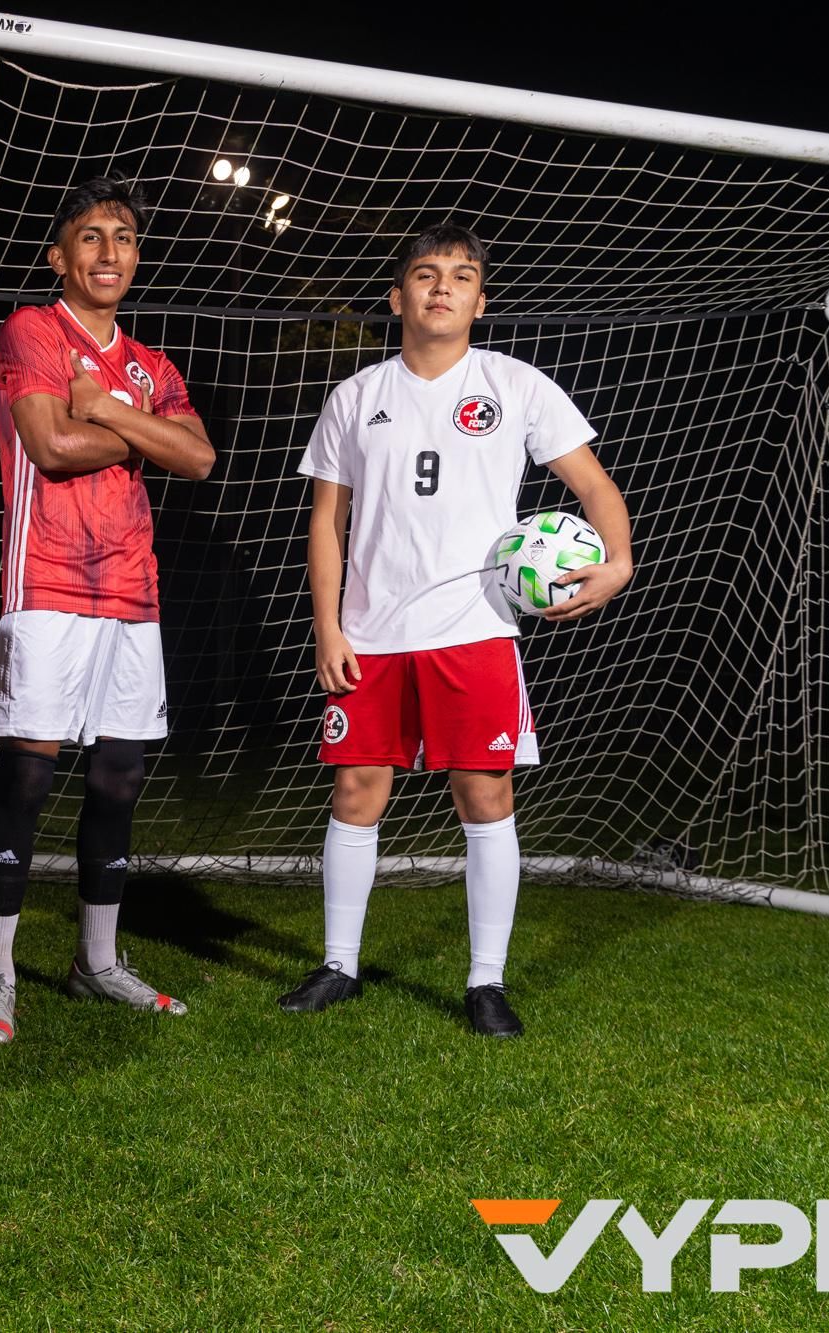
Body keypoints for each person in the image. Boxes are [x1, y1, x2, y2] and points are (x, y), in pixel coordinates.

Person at [281, 222, 633, 1036]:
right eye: (426, 274)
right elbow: (327, 522)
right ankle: (339, 965)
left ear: (481, 301)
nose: (443, 287)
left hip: (475, 630)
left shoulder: (516, 384)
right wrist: (327, 627)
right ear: (397, 296)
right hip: (370, 633)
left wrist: (617, 563)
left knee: (485, 795)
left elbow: (593, 484)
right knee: (355, 791)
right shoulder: (355, 396)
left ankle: (486, 981)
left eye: (461, 276)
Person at [0, 174, 216, 1045]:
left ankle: (96, 962)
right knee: (29, 777)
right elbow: (52, 444)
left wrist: (107, 408)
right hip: (48, 583)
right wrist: (143, 432)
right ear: (59, 256)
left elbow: (200, 458)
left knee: (118, 777)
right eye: (92, 237)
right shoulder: (33, 329)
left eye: (124, 238)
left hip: (132, 591)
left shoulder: (149, 364)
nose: (110, 253)